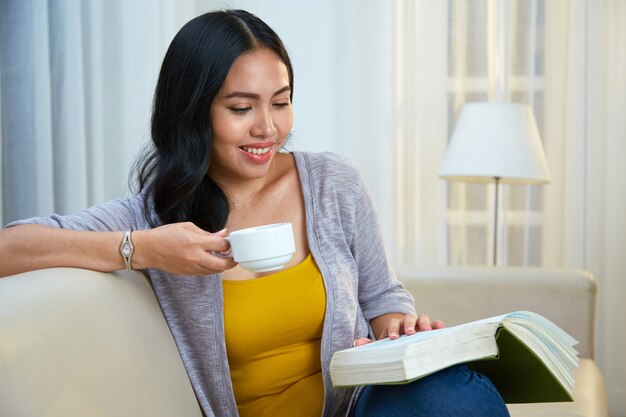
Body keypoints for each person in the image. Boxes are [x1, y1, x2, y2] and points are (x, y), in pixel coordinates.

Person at [0, 9, 510, 417]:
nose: (268, 127)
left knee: (456, 393)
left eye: (281, 103)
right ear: (194, 112)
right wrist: (141, 249)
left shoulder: (334, 182)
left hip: (358, 408)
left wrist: (399, 327)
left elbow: (383, 298)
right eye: (241, 108)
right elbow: (10, 245)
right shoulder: (155, 218)